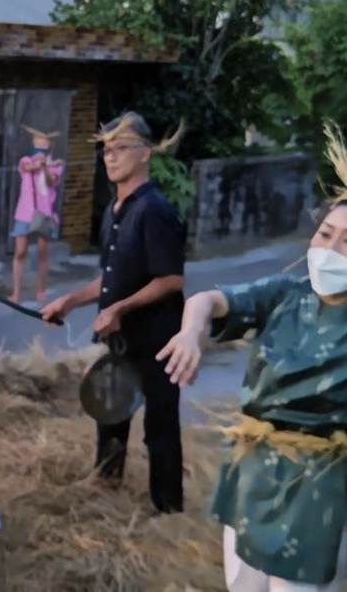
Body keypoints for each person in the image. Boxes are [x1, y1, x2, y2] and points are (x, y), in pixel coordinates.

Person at [156, 123, 347, 592]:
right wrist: (190, 334)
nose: (330, 250)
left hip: (318, 484)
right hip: (254, 468)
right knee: (241, 583)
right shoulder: (287, 293)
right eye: (325, 234)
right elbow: (208, 300)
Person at [40, 111, 186, 514]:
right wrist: (70, 301)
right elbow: (111, 276)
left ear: (145, 153)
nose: (111, 156)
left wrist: (119, 308)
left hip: (158, 341)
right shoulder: (114, 210)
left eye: (121, 148)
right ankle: (106, 494)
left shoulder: (154, 210)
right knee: (111, 418)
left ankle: (168, 511)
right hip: (119, 339)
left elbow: (171, 280)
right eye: (106, 150)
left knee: (160, 428)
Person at [10, 126, 65, 303]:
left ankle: (40, 289)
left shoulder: (57, 166)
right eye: (37, 145)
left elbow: (51, 182)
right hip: (24, 212)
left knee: (42, 251)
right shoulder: (25, 160)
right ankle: (16, 292)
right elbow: (27, 167)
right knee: (20, 251)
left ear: (50, 147)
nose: (40, 149)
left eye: (43, 146)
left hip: (44, 213)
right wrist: (41, 164)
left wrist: (46, 167)